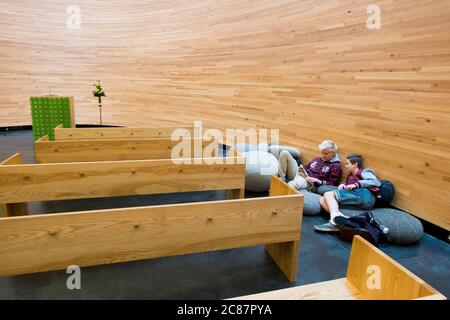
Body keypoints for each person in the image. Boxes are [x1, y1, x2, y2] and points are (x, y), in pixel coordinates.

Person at [314, 153, 381, 232]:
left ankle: (333, 222)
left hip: (366, 196)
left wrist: (356, 184)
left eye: (347, 163)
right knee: (322, 199)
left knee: (328, 194)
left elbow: (376, 182)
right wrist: (343, 185)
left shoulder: (364, 172)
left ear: (355, 164)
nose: (345, 166)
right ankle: (345, 221)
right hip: (357, 196)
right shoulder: (350, 176)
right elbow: (349, 185)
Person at [270, 140, 342, 190]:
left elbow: (333, 184)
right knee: (284, 153)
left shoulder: (336, 166)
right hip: (300, 173)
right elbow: (306, 167)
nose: (323, 155)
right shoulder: (317, 159)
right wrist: (301, 167)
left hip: (308, 181)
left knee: (292, 184)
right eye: (322, 153)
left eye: (326, 153)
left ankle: (278, 193)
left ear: (333, 153)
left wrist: (317, 180)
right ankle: (281, 179)